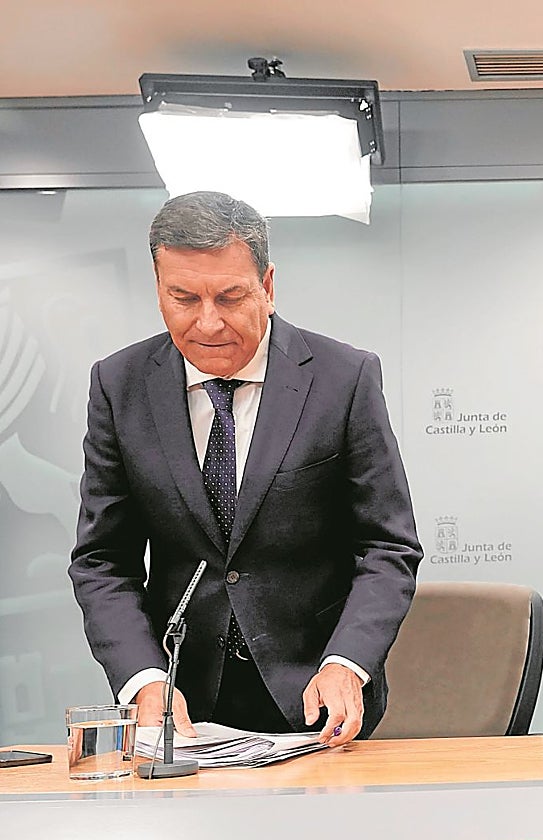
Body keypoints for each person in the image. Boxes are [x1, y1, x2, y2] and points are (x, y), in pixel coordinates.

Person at [69, 191, 422, 746]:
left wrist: (347, 663)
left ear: (268, 286)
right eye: (183, 298)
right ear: (158, 290)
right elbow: (102, 560)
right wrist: (142, 677)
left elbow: (387, 547)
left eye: (231, 297)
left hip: (316, 696)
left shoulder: (343, 378)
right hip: (180, 702)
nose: (208, 323)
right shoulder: (120, 386)